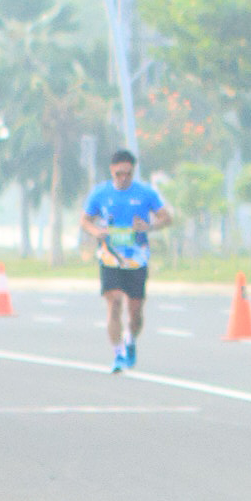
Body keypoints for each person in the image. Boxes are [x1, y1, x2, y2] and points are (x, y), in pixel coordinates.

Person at [80, 147, 170, 370]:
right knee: (114, 302)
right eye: (119, 173)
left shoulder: (145, 193)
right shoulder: (100, 193)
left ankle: (130, 340)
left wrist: (149, 226)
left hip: (137, 258)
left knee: (135, 310)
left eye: (128, 174)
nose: (123, 178)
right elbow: (85, 220)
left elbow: (166, 218)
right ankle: (118, 353)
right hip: (110, 257)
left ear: (133, 172)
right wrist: (96, 231)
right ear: (112, 171)